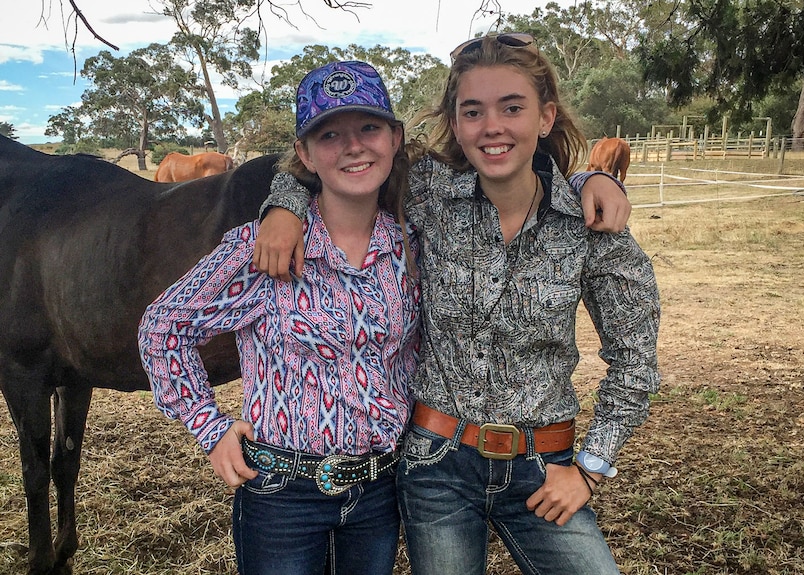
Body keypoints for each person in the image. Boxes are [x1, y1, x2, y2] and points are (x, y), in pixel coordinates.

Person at [253, 34, 659, 575]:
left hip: (544, 465)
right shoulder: (429, 192)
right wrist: (283, 206)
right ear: (456, 124)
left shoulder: (592, 225)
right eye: (473, 112)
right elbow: (338, 160)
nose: (492, 126)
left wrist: (590, 466)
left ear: (545, 117)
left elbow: (635, 359)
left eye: (512, 108)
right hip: (436, 465)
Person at [138, 60, 421, 575]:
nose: (353, 146)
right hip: (282, 496)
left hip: (380, 492)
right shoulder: (261, 249)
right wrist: (209, 427)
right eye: (329, 134)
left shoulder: (410, 245)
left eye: (368, 127)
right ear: (304, 154)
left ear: (394, 139)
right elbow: (163, 328)